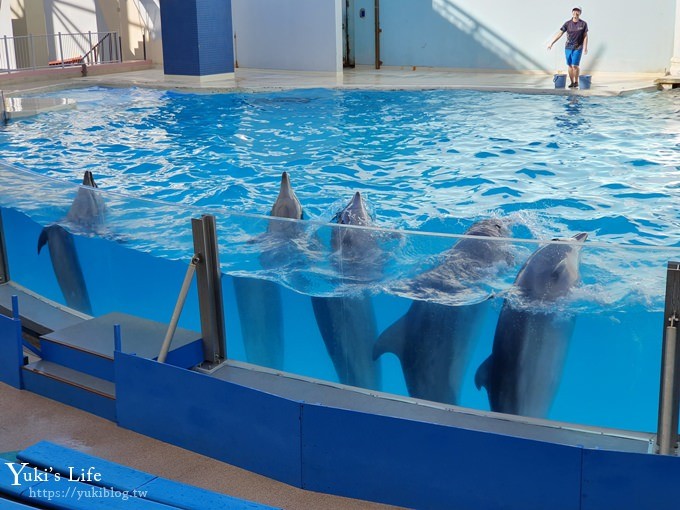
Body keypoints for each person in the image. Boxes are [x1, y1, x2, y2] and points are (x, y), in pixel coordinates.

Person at [548, 7, 589, 88]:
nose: (575, 12)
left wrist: (585, 47)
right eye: (574, 11)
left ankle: (576, 81)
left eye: (577, 11)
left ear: (580, 13)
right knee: (570, 65)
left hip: (578, 47)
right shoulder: (567, 23)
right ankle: (572, 82)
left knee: (575, 65)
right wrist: (552, 43)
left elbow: (585, 36)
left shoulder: (583, 24)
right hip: (568, 47)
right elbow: (560, 33)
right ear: (572, 12)